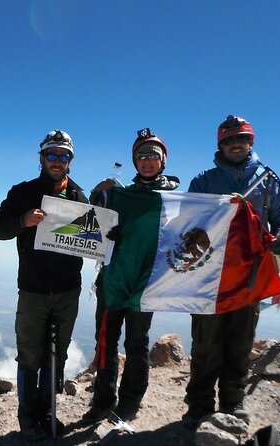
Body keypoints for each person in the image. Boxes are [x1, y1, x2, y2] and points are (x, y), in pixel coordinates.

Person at [183, 115, 280, 428]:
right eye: (229, 140)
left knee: (240, 341)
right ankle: (200, 403)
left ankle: (233, 401)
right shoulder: (203, 181)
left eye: (241, 139)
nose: (235, 145)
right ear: (221, 145)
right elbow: (184, 220)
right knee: (205, 342)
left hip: (250, 275)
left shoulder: (269, 181)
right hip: (208, 277)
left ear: (251, 142)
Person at [0, 129, 88, 441]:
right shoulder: (22, 193)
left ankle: (47, 415)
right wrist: (22, 221)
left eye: (64, 155)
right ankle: (27, 420)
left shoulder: (79, 198)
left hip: (67, 291)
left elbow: (93, 238)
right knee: (30, 355)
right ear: (42, 158)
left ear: (70, 160)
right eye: (52, 154)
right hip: (32, 291)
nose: (58, 160)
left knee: (55, 356)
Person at [81, 128, 180, 424]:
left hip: (147, 283)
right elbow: (91, 221)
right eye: (141, 156)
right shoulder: (120, 194)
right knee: (106, 342)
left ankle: (130, 403)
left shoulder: (175, 199)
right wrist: (98, 197)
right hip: (113, 278)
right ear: (134, 161)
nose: (147, 161)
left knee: (136, 344)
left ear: (163, 160)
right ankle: (102, 400)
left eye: (153, 155)